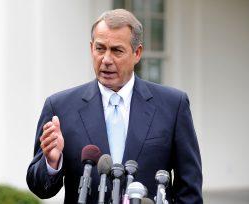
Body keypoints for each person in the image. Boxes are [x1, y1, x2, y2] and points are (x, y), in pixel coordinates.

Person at [26, 9, 203, 204]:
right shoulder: (59, 107)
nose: (106, 60)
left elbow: (190, 190)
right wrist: (52, 162)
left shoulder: (173, 105)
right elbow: (40, 188)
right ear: (91, 47)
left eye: (117, 50)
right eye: (100, 49)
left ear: (137, 53)